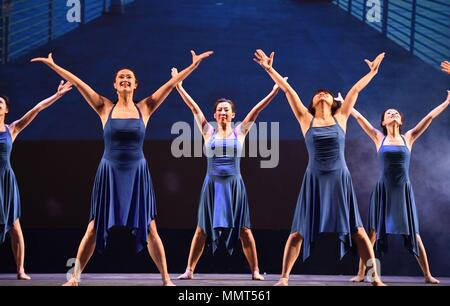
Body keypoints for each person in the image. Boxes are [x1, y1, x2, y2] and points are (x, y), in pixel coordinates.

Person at [31, 50, 213, 286]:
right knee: (94, 227)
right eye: (121, 78)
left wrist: (193, 66)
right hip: (109, 172)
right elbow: (77, 82)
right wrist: (54, 65)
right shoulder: (104, 107)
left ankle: (167, 280)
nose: (125, 80)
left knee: (150, 228)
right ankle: (74, 278)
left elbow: (171, 84)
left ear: (135, 85)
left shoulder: (145, 107)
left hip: (137, 173)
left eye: (129, 77)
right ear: (115, 85)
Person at [254, 49, 385, 286]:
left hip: (338, 177)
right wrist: (269, 68)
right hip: (314, 178)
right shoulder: (306, 118)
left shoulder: (341, 117)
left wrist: (372, 72)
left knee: (358, 230)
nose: (322, 95)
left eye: (325, 93)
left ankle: (374, 276)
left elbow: (355, 91)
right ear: (312, 103)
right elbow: (287, 90)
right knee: (298, 231)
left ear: (333, 102)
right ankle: (284, 278)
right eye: (317, 94)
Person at [171, 66, 284, 281]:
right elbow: (194, 109)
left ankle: (255, 271)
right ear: (215, 115)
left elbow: (257, 111)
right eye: (219, 110)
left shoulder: (240, 132)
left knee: (244, 230)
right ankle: (189, 270)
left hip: (234, 185)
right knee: (201, 229)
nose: (223, 112)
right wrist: (179, 86)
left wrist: (274, 90)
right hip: (212, 185)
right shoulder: (208, 132)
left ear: (233, 114)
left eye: (227, 110)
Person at [349, 90, 450, 284]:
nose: (393, 114)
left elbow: (429, 117)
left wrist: (447, 103)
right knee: (372, 233)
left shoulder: (409, 137)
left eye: (395, 113)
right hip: (383, 190)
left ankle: (427, 275)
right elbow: (360, 118)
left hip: (403, 190)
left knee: (413, 232)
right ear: (383, 122)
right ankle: (363, 273)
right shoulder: (379, 137)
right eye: (389, 113)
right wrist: (347, 105)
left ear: (401, 121)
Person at [0, 80, 73, 280]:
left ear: (6, 110)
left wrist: (57, 95)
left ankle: (20, 270)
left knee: (15, 227)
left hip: (5, 181)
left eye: (0, 103)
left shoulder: (11, 129)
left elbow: (37, 108)